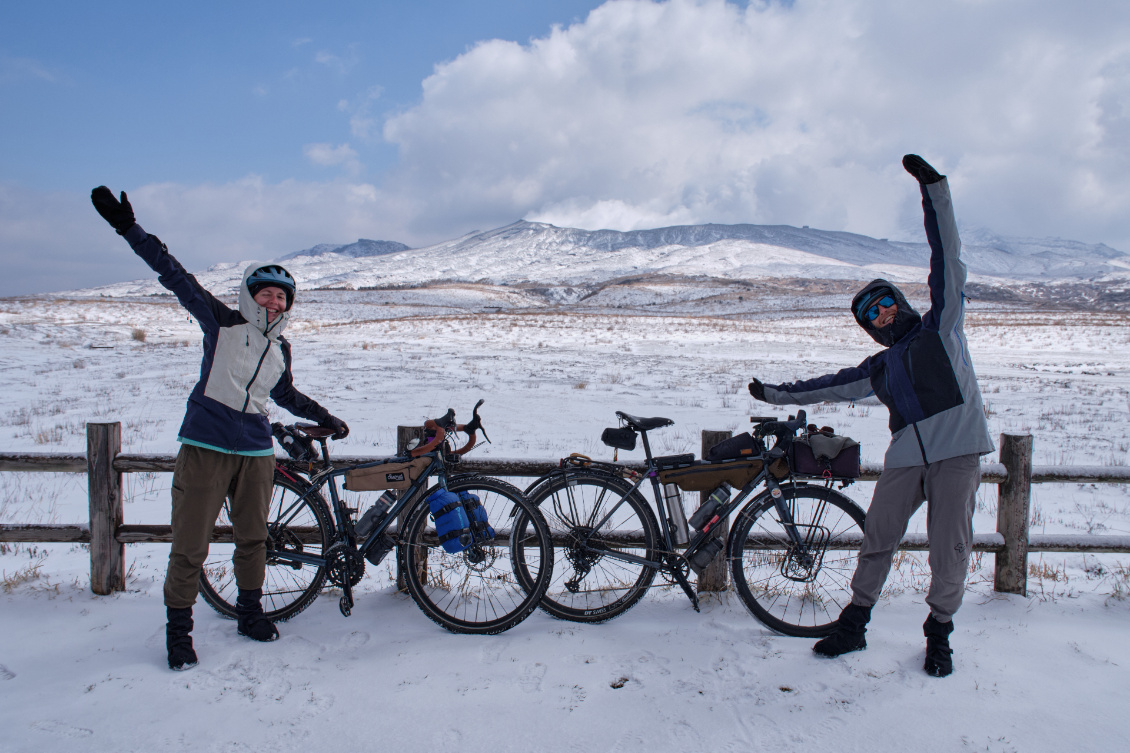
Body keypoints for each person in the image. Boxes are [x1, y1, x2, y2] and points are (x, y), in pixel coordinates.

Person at [748, 155, 994, 677]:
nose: (880, 315)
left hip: (957, 451)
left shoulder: (940, 329)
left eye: (882, 304)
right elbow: (828, 386)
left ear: (897, 302)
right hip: (906, 454)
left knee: (949, 549)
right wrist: (772, 393)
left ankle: (939, 632)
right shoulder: (879, 367)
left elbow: (947, 259)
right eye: (869, 315)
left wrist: (935, 191)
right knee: (877, 537)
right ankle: (856, 623)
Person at [91, 187, 349, 671]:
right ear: (250, 295)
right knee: (191, 544)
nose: (273, 301)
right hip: (206, 445)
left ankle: (249, 614)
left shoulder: (281, 349)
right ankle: (179, 633)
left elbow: (284, 395)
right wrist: (130, 229)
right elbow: (175, 276)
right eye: (266, 292)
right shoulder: (222, 323)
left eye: (281, 296)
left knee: (254, 538)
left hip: (255, 451)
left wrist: (324, 418)